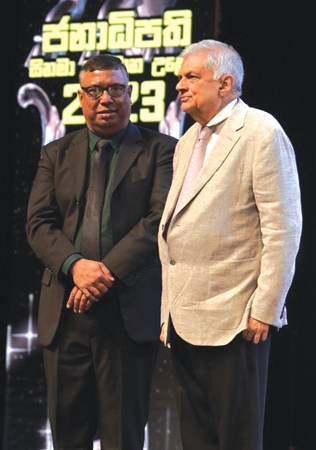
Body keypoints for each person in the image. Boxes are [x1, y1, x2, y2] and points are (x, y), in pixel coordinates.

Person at [26, 54, 175, 448]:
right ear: (80, 97)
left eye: (114, 89)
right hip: (65, 311)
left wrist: (102, 275)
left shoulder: (161, 150)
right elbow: (38, 224)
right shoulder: (55, 153)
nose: (105, 98)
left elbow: (159, 220)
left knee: (123, 436)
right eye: (94, 91)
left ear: (130, 93)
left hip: (127, 311)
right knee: (67, 434)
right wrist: (76, 267)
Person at [158, 39, 302, 449]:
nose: (180, 85)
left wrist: (266, 308)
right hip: (186, 318)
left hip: (237, 320)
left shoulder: (261, 130)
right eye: (180, 77)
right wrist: (167, 313)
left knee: (236, 439)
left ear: (224, 83)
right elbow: (176, 228)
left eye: (191, 76)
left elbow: (283, 228)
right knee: (196, 440)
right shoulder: (188, 140)